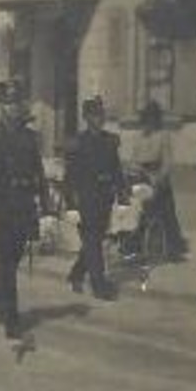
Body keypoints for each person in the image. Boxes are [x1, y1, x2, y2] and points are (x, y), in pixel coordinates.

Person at [0, 78, 55, 339]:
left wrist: (47, 209)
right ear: (0, 106)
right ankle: (11, 318)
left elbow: (39, 175)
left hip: (24, 207)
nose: (13, 108)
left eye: (16, 102)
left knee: (11, 260)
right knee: (5, 262)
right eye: (7, 103)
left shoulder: (30, 138)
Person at [62, 96, 123, 299]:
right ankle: (100, 285)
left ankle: (75, 274)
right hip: (85, 200)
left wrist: (123, 196)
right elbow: (69, 178)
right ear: (86, 118)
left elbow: (116, 169)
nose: (100, 118)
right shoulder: (77, 143)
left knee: (93, 241)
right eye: (95, 115)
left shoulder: (110, 141)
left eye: (101, 114)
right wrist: (70, 205)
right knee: (93, 242)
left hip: (104, 199)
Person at [133, 100, 189, 260]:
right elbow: (134, 159)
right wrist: (139, 171)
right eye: (146, 119)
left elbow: (167, 162)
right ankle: (137, 244)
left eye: (152, 119)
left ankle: (173, 249)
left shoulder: (163, 136)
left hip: (158, 178)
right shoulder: (140, 137)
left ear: (156, 119)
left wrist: (158, 177)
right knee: (139, 211)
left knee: (167, 213)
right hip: (142, 178)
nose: (149, 123)